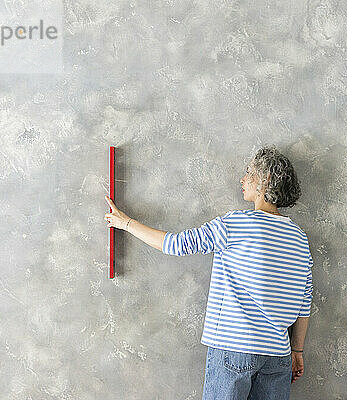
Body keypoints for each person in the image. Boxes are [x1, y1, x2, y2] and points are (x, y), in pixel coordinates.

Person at [104, 144, 313, 400]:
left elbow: (176, 244)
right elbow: (305, 302)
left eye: (249, 173)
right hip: (278, 357)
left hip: (234, 350)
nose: (243, 179)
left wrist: (125, 223)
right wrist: (297, 351)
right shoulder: (299, 238)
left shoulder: (236, 224)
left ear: (266, 180)